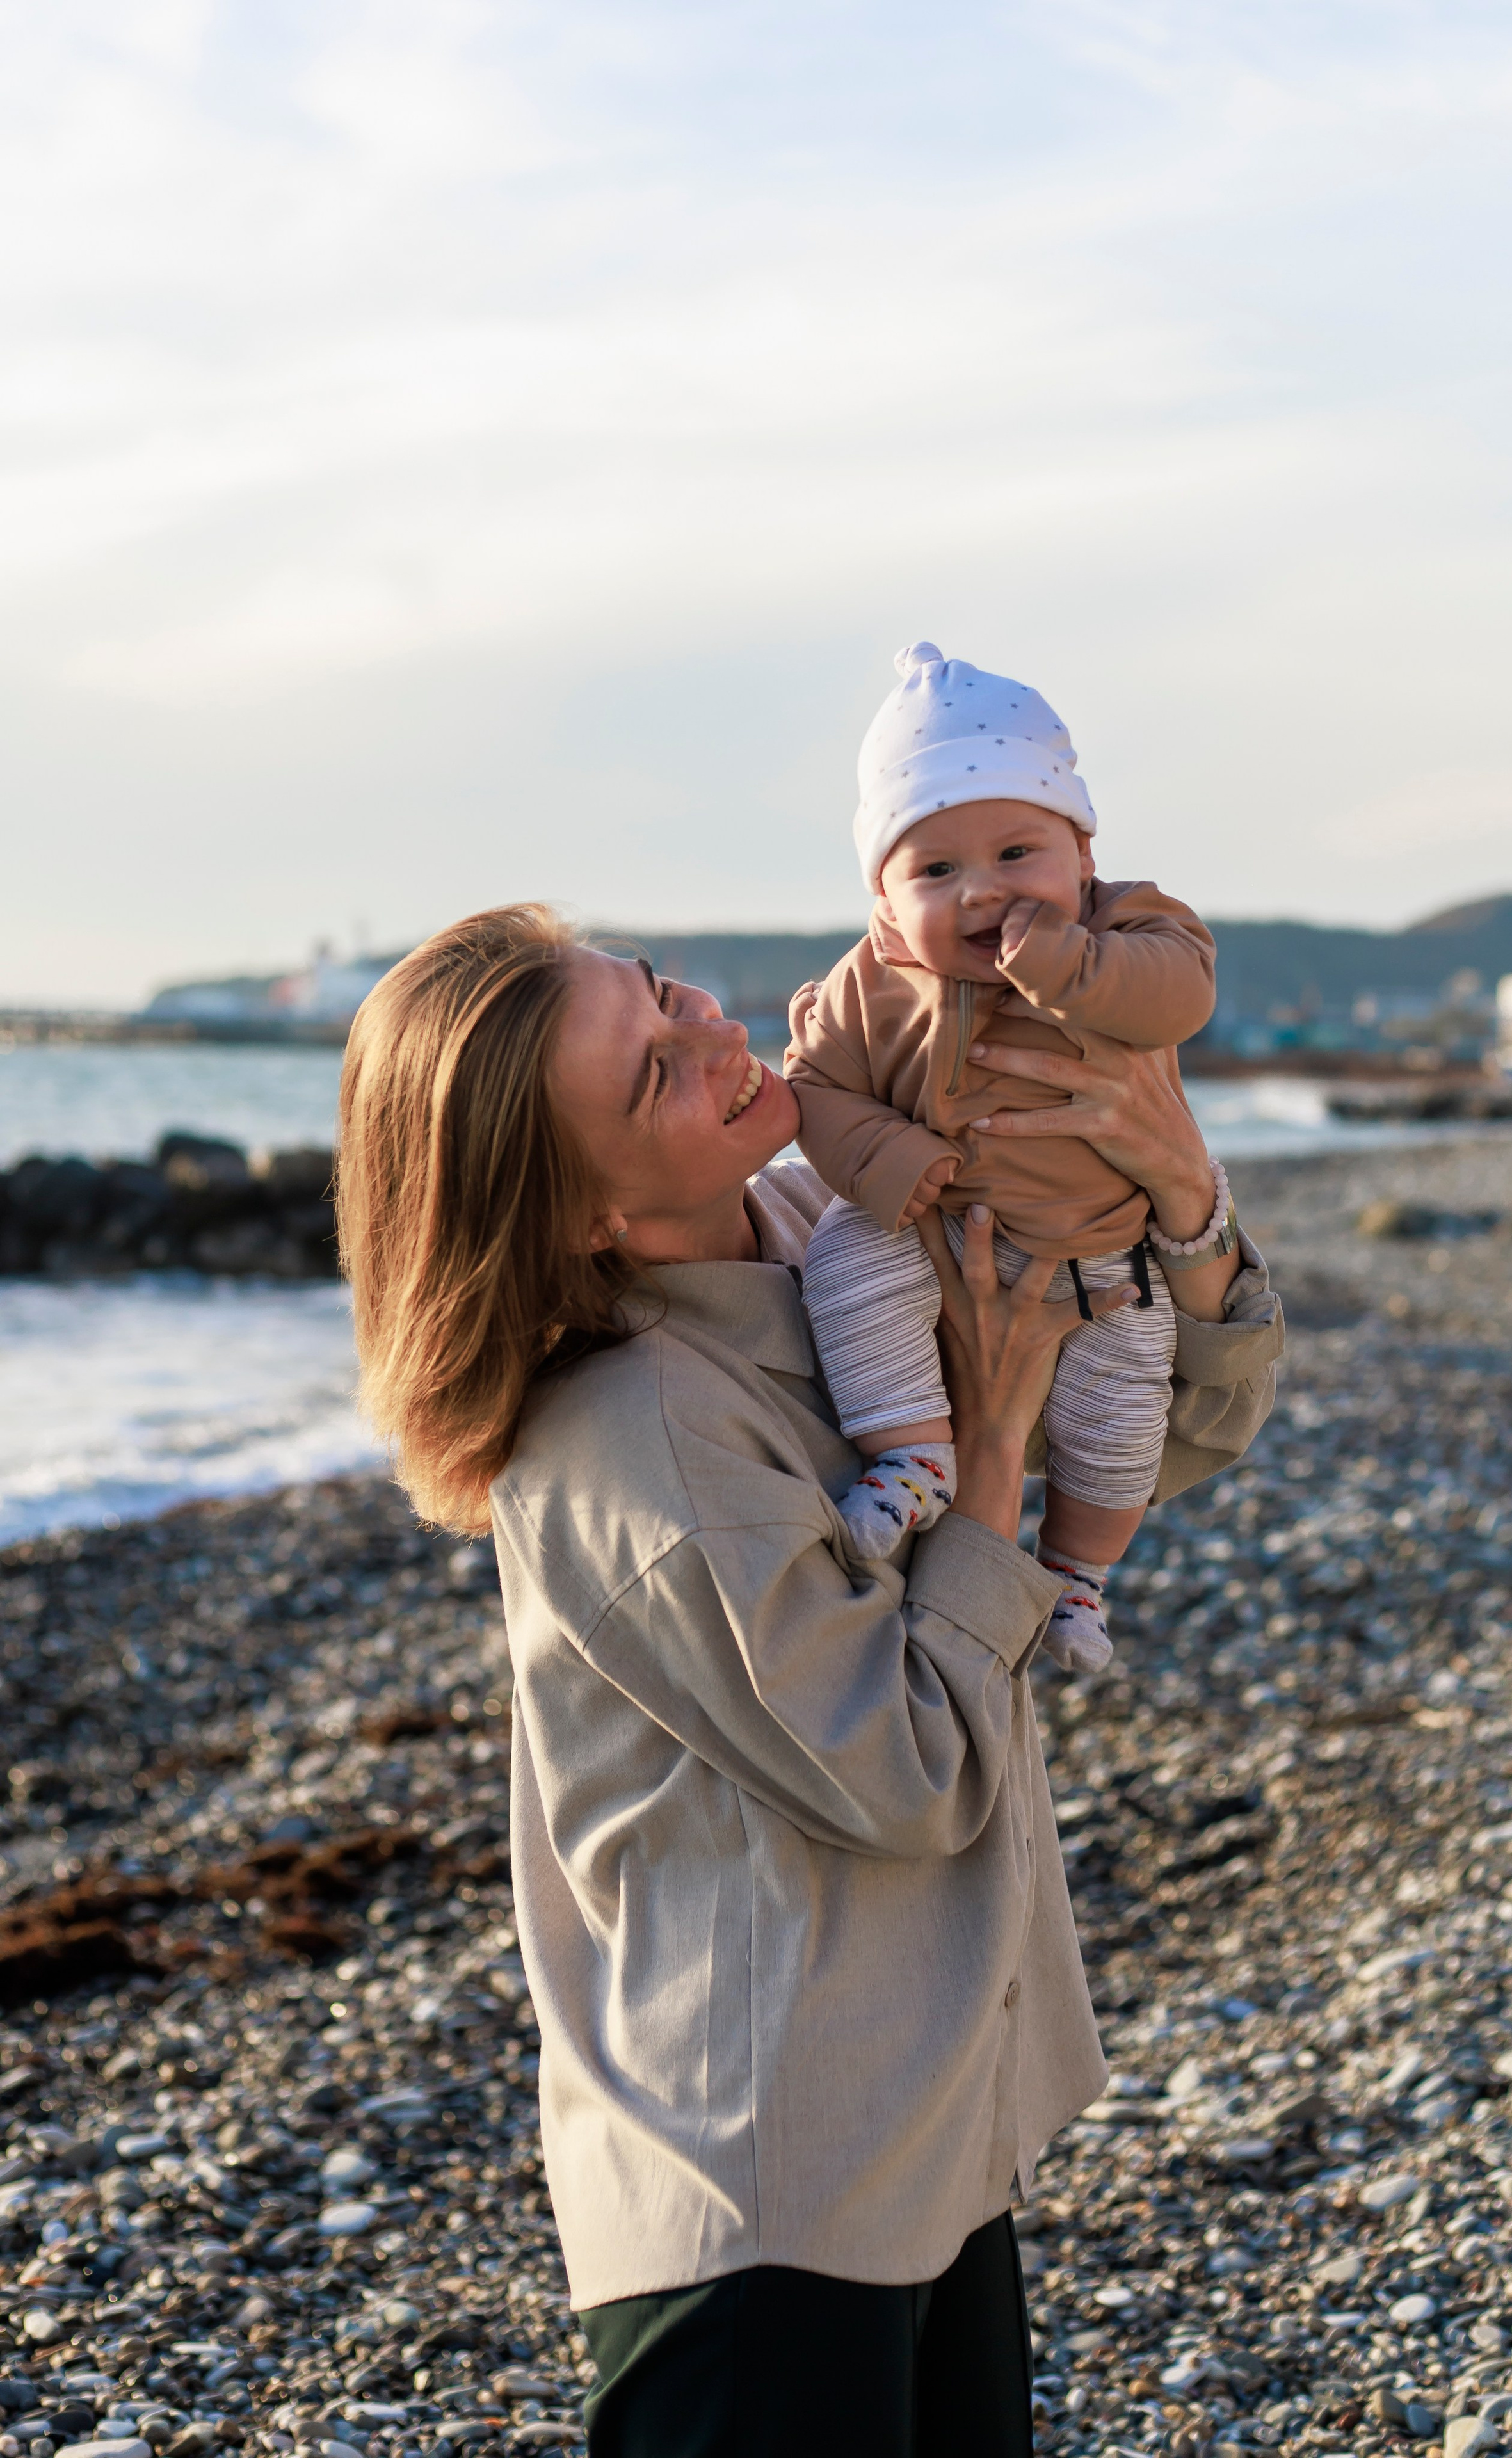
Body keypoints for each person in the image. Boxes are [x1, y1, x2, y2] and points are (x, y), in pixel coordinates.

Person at [335, 901, 1283, 2458]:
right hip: (767, 2203)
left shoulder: (823, 1236)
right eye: (650, 1073)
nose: (712, 1034)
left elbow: (1167, 1427)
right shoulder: (639, 1445)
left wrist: (1180, 1198)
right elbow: (907, 1772)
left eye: (663, 992)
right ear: (582, 1216)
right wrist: (988, 1453)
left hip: (926, 2124)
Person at [789, 641, 1223, 1678]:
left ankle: (1077, 1574)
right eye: (937, 871)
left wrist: (1075, 966)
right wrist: (884, 1155)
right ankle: (913, 1454)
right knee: (846, 1261)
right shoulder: (868, 983)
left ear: (1083, 854)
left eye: (1018, 854)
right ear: (886, 900)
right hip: (933, 1228)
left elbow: (1181, 996)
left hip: (1106, 1252)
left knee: (1120, 1416)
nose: (983, 892)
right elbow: (815, 1088)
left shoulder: (1130, 927)